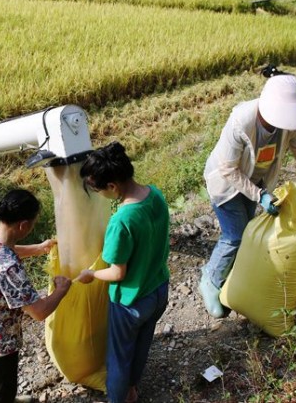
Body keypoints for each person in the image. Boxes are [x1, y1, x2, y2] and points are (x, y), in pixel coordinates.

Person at [199, 67, 296, 318]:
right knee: (234, 236)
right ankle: (210, 280)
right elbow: (227, 168)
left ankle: (230, 275)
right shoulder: (242, 120)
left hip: (256, 180)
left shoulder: (290, 122)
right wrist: (260, 196)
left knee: (246, 232)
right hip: (226, 182)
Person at [76, 142, 170, 403]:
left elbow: (117, 273)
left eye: (97, 189)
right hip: (159, 289)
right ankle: (132, 390)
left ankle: (118, 398)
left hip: (131, 302)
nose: (98, 194)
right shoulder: (155, 195)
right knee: (141, 347)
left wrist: (91, 275)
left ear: (112, 186)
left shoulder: (122, 221)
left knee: (118, 358)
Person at [0, 188, 71, 403]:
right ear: (23, 225)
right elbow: (39, 312)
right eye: (32, 224)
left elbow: (8, 250)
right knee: (1, 391)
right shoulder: (9, 269)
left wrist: (39, 248)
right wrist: (61, 290)